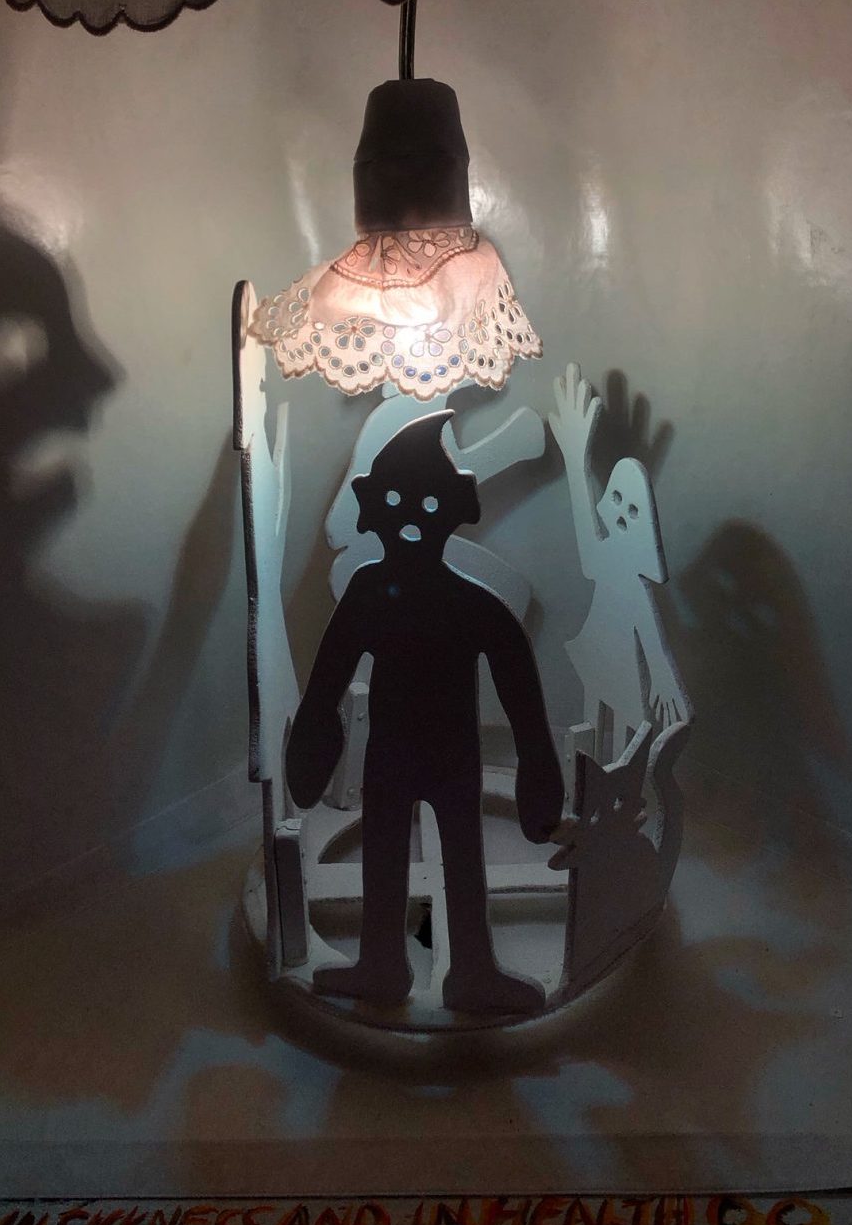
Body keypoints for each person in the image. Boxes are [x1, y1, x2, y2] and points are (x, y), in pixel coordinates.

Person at [287, 411, 563, 1014]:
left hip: (450, 759)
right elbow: (328, 677)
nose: (411, 518)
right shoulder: (370, 592)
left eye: (429, 504)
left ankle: (472, 971)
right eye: (394, 502)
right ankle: (382, 963)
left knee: (462, 858)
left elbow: (518, 682)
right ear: (370, 506)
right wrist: (313, 732)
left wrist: (537, 763)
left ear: (458, 506)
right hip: (392, 759)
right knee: (384, 854)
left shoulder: (472, 604)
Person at [549, 363, 690, 763]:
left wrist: (662, 676)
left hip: (626, 668)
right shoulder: (604, 557)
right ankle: (587, 782)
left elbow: (649, 632)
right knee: (591, 725)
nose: (622, 515)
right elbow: (585, 536)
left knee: (626, 740)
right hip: (598, 654)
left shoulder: (633, 581)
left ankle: (615, 786)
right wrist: (575, 462)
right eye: (616, 500)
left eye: (632, 509)